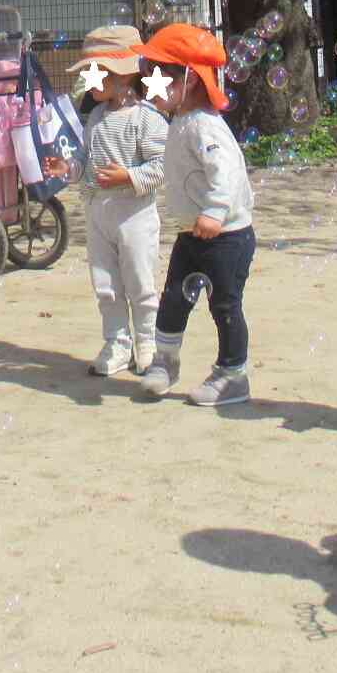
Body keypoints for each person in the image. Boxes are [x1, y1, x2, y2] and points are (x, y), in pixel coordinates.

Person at [129, 23, 255, 407]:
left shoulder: (204, 126)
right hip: (192, 234)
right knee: (173, 299)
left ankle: (233, 375)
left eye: (159, 77)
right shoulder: (180, 122)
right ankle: (165, 360)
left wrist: (215, 212)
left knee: (225, 306)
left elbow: (227, 174)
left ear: (191, 79)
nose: (150, 85)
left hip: (226, 236)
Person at [46, 24, 168, 378]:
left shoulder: (148, 118)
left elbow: (161, 166)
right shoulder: (96, 118)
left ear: (121, 76)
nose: (87, 80)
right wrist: (68, 167)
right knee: (106, 283)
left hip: (135, 215)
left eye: (93, 72)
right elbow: (87, 161)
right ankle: (117, 342)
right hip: (98, 213)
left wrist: (127, 177)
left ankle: (147, 342)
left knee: (140, 281)